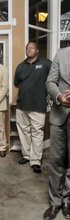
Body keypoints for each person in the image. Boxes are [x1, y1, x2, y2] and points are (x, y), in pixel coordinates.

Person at [14, 41, 51, 173]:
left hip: (38, 105)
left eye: (32, 48)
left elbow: (52, 80)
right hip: (22, 105)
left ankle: (35, 160)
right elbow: (16, 83)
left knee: (36, 133)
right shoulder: (20, 66)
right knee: (24, 132)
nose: (29, 50)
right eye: (27, 48)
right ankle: (26, 155)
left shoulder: (46, 64)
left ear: (37, 51)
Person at [43, 46, 70, 220]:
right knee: (56, 162)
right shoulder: (61, 53)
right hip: (59, 116)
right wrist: (60, 97)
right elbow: (50, 82)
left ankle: (68, 202)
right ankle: (55, 202)